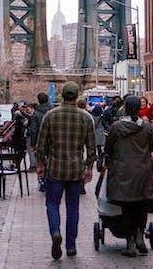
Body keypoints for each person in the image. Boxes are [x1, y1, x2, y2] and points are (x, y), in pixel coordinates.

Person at [36, 81, 96, 260]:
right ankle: (71, 245)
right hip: (76, 169)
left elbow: (41, 145)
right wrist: (89, 168)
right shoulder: (85, 117)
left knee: (52, 203)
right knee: (73, 208)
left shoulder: (50, 116)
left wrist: (40, 164)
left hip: (55, 168)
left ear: (62, 95)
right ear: (77, 96)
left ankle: (55, 231)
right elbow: (91, 148)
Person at [105, 95, 153, 257]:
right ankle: (140, 234)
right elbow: (152, 148)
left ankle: (130, 243)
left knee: (126, 208)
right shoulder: (147, 127)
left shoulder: (116, 127)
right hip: (142, 171)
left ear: (125, 108)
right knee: (141, 205)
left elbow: (108, 149)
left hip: (122, 172)